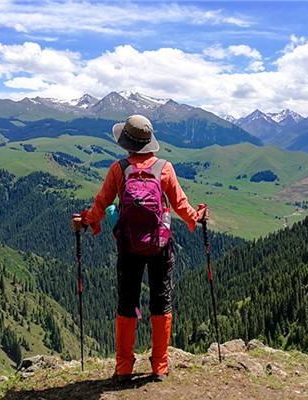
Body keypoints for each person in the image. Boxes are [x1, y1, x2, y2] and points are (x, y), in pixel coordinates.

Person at [71, 114, 208, 383]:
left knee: (126, 303)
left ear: (126, 143)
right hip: (160, 245)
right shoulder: (164, 168)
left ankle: (123, 368)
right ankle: (160, 367)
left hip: (128, 246)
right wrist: (197, 216)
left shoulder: (118, 169)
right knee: (161, 302)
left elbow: (101, 204)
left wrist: (85, 221)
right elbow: (181, 204)